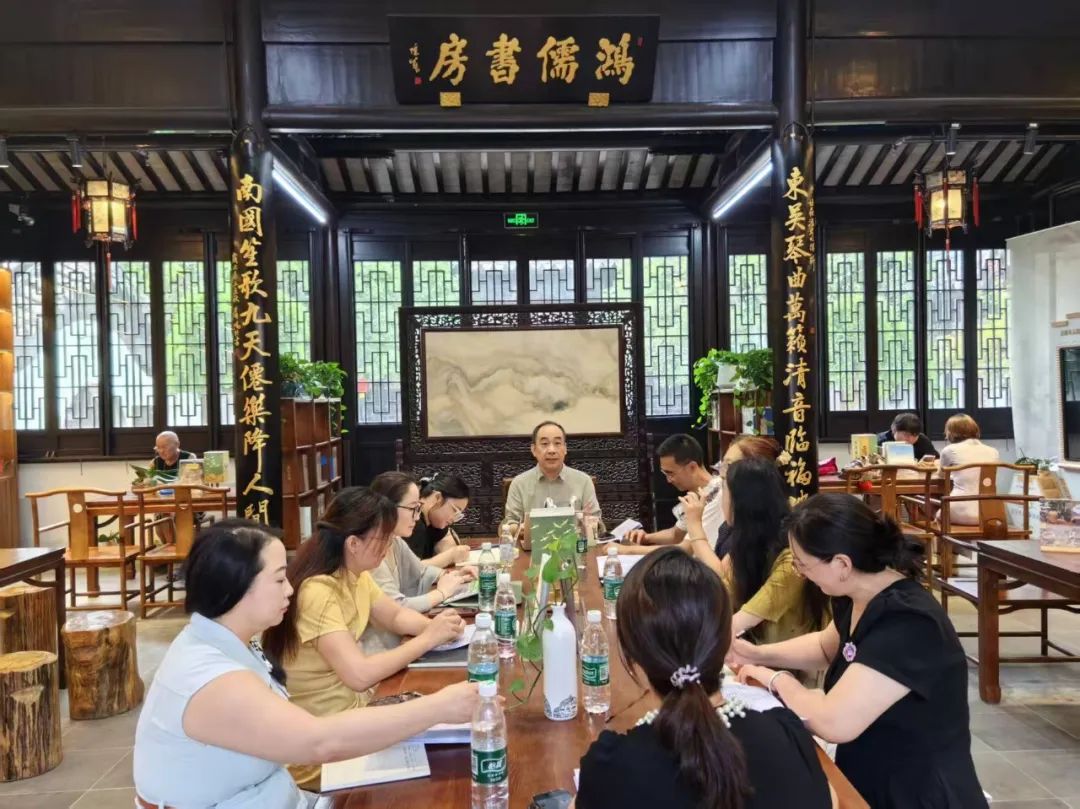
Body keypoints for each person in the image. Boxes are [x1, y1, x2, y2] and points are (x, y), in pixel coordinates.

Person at [133, 519, 480, 809]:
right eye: (279, 579)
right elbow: (319, 742)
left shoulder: (223, 641)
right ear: (236, 585)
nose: (290, 590)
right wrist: (439, 707)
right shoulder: (210, 677)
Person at [731, 494, 987, 808]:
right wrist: (754, 654)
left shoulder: (909, 622)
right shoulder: (854, 594)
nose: (799, 573)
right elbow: (825, 647)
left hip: (917, 791)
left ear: (842, 564)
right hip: (873, 771)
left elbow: (832, 721)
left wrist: (774, 679)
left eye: (802, 564)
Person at [575, 547, 835, 809]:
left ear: (634, 661)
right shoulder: (786, 733)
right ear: (725, 645)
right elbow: (830, 799)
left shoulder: (610, 770)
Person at [261, 487, 467, 789]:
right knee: (443, 772)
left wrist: (437, 629)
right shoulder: (317, 591)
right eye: (383, 539)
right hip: (323, 745)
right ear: (353, 543)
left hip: (354, 719)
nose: (389, 546)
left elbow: (395, 616)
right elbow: (358, 675)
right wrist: (427, 639)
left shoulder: (356, 574)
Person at [685, 457, 827, 651]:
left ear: (742, 502)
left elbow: (742, 619)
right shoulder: (747, 544)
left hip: (792, 662)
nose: (721, 502)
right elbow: (723, 594)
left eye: (725, 492)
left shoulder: (792, 559)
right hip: (760, 654)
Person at [364, 471, 476, 654]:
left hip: (402, 640)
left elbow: (421, 571)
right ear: (387, 507)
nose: (417, 518)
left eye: (418, 509)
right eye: (413, 509)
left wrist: (450, 575)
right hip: (378, 648)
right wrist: (441, 593)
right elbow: (397, 608)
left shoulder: (395, 541)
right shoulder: (369, 553)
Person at [624, 434, 723, 549]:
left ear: (692, 467)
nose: (668, 480)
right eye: (665, 474)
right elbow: (676, 534)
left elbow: (686, 548)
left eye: (670, 473)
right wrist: (645, 537)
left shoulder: (718, 496)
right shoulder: (696, 494)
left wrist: (627, 550)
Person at [504, 420, 601, 523]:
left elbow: (598, 523)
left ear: (565, 448)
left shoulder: (583, 481)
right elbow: (510, 523)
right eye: (544, 444)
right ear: (534, 450)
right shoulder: (519, 484)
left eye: (557, 443)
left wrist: (590, 523)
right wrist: (518, 528)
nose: (551, 450)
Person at [937, 413, 1000, 525]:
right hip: (989, 513)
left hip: (959, 511)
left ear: (951, 432)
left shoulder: (949, 450)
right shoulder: (993, 451)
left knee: (933, 510)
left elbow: (941, 476)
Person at [408, 472, 472, 563]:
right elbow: (410, 569)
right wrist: (449, 557)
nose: (454, 519)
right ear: (437, 497)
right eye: (454, 510)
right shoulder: (413, 522)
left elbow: (449, 543)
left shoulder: (433, 525)